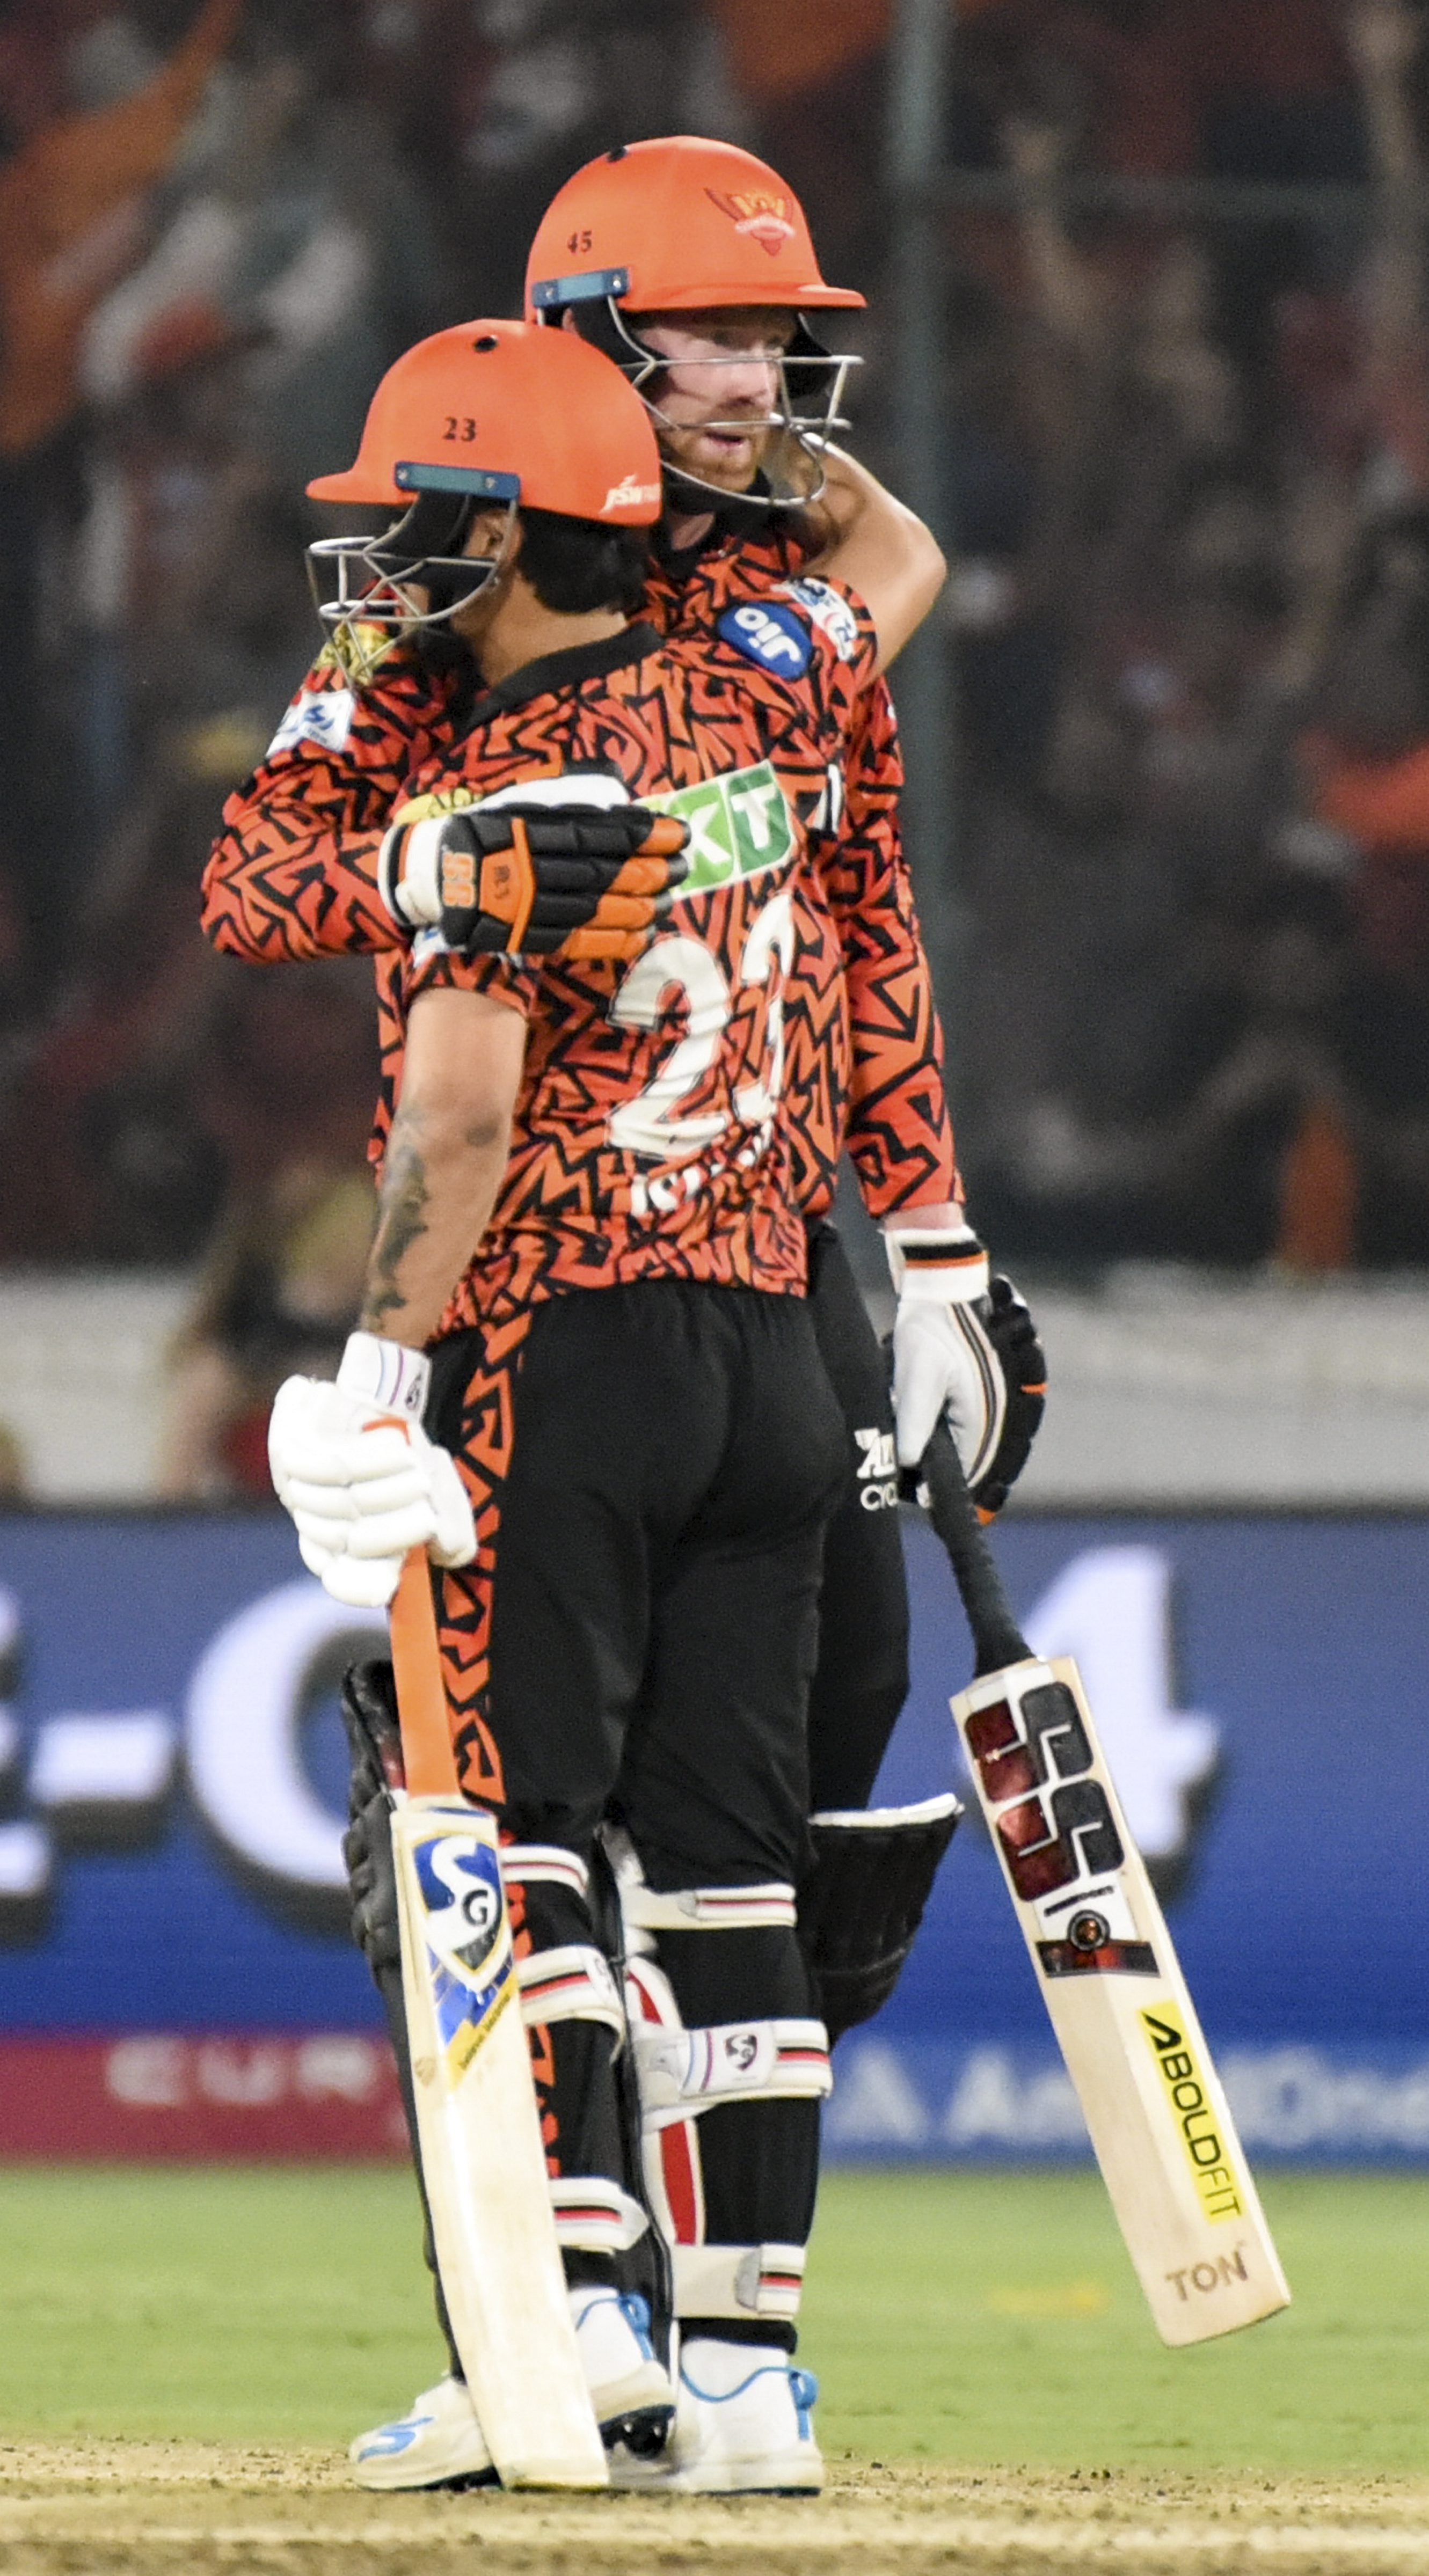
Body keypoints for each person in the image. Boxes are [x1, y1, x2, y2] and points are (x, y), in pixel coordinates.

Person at [205, 316, 946, 2494]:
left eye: (417, 525)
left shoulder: (499, 793)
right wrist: (739, 441)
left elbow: (457, 1110)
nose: (386, 569)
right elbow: (892, 562)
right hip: (776, 1351)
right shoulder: (770, 690)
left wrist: (379, 1367)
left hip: (564, 1346)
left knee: (525, 1842)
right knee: (732, 1879)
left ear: (502, 532)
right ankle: (748, 2377)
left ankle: (583, 2322)